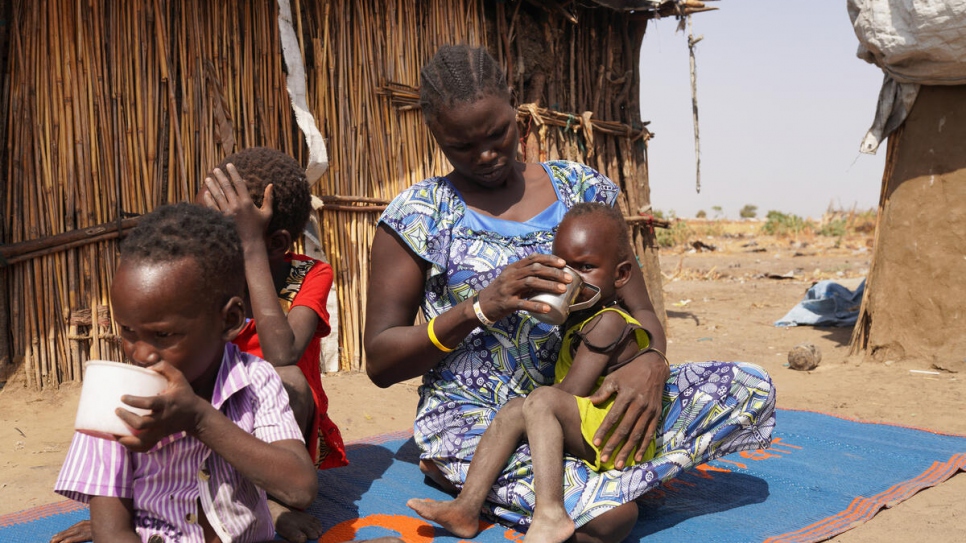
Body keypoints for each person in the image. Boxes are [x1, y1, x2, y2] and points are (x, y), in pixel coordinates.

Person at [364, 44, 776, 543]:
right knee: (609, 521)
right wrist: (479, 308)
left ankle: (600, 469)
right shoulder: (418, 215)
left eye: (497, 133)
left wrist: (652, 363)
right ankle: (496, 473)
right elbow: (382, 361)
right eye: (463, 146)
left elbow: (641, 310)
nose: (487, 154)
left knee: (748, 387)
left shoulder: (584, 190)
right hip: (480, 416)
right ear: (436, 136)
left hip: (586, 403)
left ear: (516, 109)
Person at [52, 148, 347, 543]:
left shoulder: (256, 376)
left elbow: (299, 484)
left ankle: (268, 507)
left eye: (163, 335)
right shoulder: (115, 401)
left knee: (288, 378)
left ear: (229, 319)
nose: (140, 354)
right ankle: (144, 508)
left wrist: (198, 419)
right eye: (127, 331)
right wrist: (113, 517)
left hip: (265, 418)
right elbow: (114, 533)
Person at [407, 202, 665, 542]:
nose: (571, 279)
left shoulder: (608, 322)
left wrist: (538, 414)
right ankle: (466, 506)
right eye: (561, 268)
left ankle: (550, 512)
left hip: (612, 435)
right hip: (588, 422)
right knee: (515, 408)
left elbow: (568, 394)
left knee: (541, 400)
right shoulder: (587, 318)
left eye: (585, 267)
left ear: (620, 275)